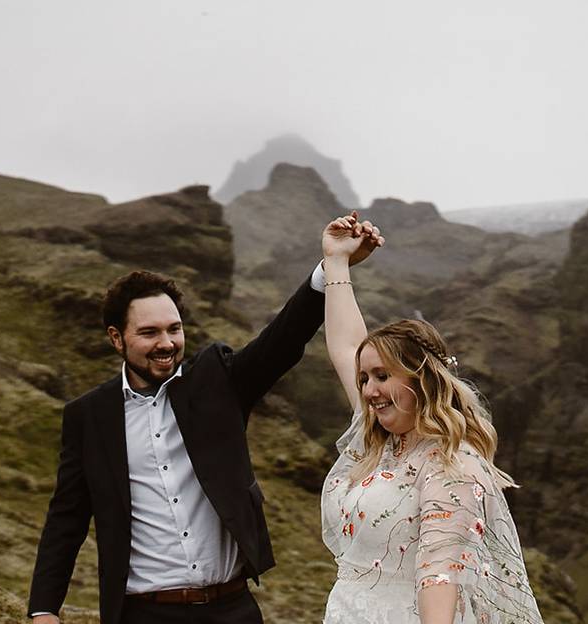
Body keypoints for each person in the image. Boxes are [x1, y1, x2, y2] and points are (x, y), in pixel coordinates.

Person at [27, 213, 383, 624]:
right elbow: (66, 518)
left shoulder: (217, 378)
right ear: (116, 338)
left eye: (173, 329)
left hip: (232, 608)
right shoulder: (88, 416)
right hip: (142, 615)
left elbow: (283, 339)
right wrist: (43, 609)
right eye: (149, 333)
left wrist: (330, 267)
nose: (166, 344)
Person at [319, 215, 544, 623]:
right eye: (365, 378)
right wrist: (335, 261)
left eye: (383, 376)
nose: (369, 390)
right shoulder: (377, 439)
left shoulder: (450, 466)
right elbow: (347, 344)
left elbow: (440, 572)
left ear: (422, 380)